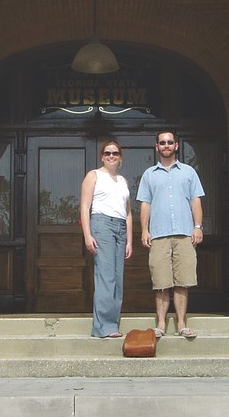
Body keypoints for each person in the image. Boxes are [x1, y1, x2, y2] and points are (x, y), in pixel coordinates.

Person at [136, 129, 204, 339]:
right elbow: (145, 204)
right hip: (158, 235)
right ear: (157, 147)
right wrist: (144, 230)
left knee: (183, 282)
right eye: (162, 143)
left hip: (184, 233)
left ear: (176, 146)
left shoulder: (188, 172)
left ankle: (182, 324)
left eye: (170, 142)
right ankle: (161, 325)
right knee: (161, 283)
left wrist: (198, 227)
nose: (166, 146)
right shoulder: (149, 174)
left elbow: (195, 201)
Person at [80, 138, 133, 338]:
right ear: (102, 156)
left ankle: (113, 324)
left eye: (115, 153)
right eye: (107, 153)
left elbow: (128, 213)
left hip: (120, 227)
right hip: (101, 224)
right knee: (106, 276)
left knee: (117, 278)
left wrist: (129, 240)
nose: (111, 156)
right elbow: (85, 207)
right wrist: (88, 235)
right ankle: (103, 327)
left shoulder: (123, 181)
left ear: (120, 158)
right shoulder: (93, 176)